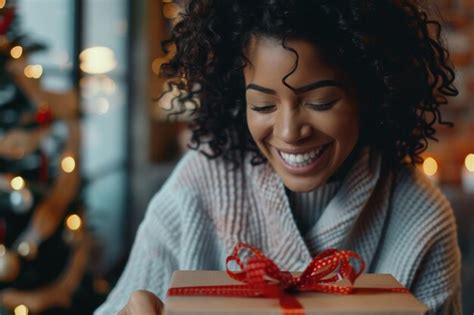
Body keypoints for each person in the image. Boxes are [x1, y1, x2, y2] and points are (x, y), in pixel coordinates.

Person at [95, 1, 462, 314]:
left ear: (370, 93)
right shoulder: (198, 186)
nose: (288, 131)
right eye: (263, 104)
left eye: (320, 102)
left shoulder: (421, 218)